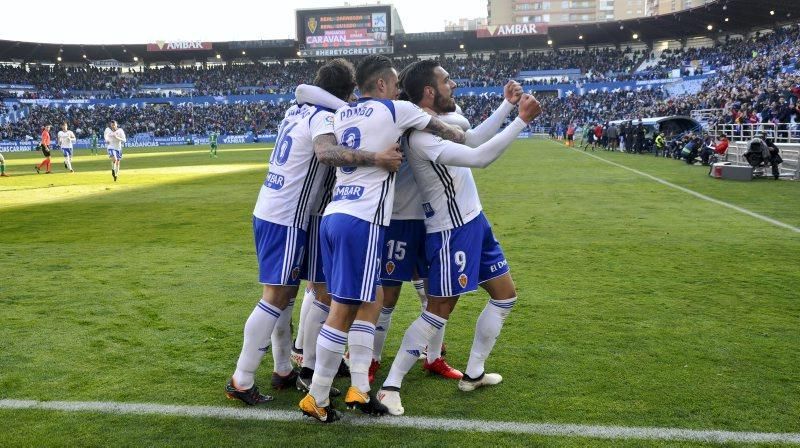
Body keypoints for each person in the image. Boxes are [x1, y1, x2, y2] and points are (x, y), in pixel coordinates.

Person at [298, 54, 468, 423]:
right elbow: (454, 133)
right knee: (343, 311)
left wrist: (374, 155)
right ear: (381, 85)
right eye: (394, 83)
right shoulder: (397, 109)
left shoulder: (342, 114)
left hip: (335, 214)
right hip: (363, 220)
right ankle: (318, 396)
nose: (398, 89)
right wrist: (453, 128)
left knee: (372, 300)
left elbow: (327, 153)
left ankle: (359, 388)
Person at [225, 59, 402, 409]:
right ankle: (241, 379)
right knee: (275, 297)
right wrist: (375, 158)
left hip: (271, 207)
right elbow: (325, 152)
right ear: (347, 91)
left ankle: (282, 369)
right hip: (287, 215)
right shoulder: (322, 116)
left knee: (287, 295)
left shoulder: (296, 108)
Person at [376, 60, 542, 416]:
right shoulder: (421, 138)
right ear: (429, 92)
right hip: (451, 231)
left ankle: (474, 373)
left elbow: (472, 139)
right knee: (438, 311)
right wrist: (522, 120)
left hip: (474, 222)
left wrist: (506, 107)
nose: (453, 84)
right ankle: (390, 386)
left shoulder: (435, 126)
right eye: (446, 80)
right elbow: (480, 158)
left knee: (505, 296)